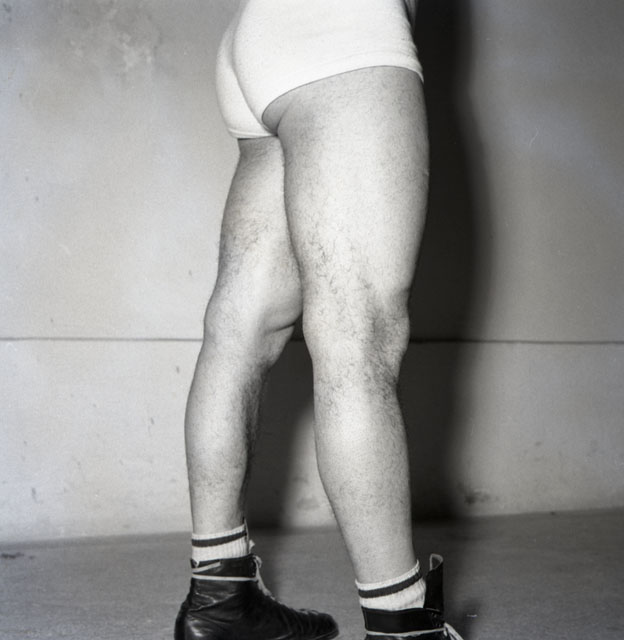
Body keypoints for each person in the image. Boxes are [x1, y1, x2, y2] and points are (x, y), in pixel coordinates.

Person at [175, 1, 463, 638]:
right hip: (344, 31)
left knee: (239, 331)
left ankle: (221, 599)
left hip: (256, 35)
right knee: (359, 334)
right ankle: (404, 626)